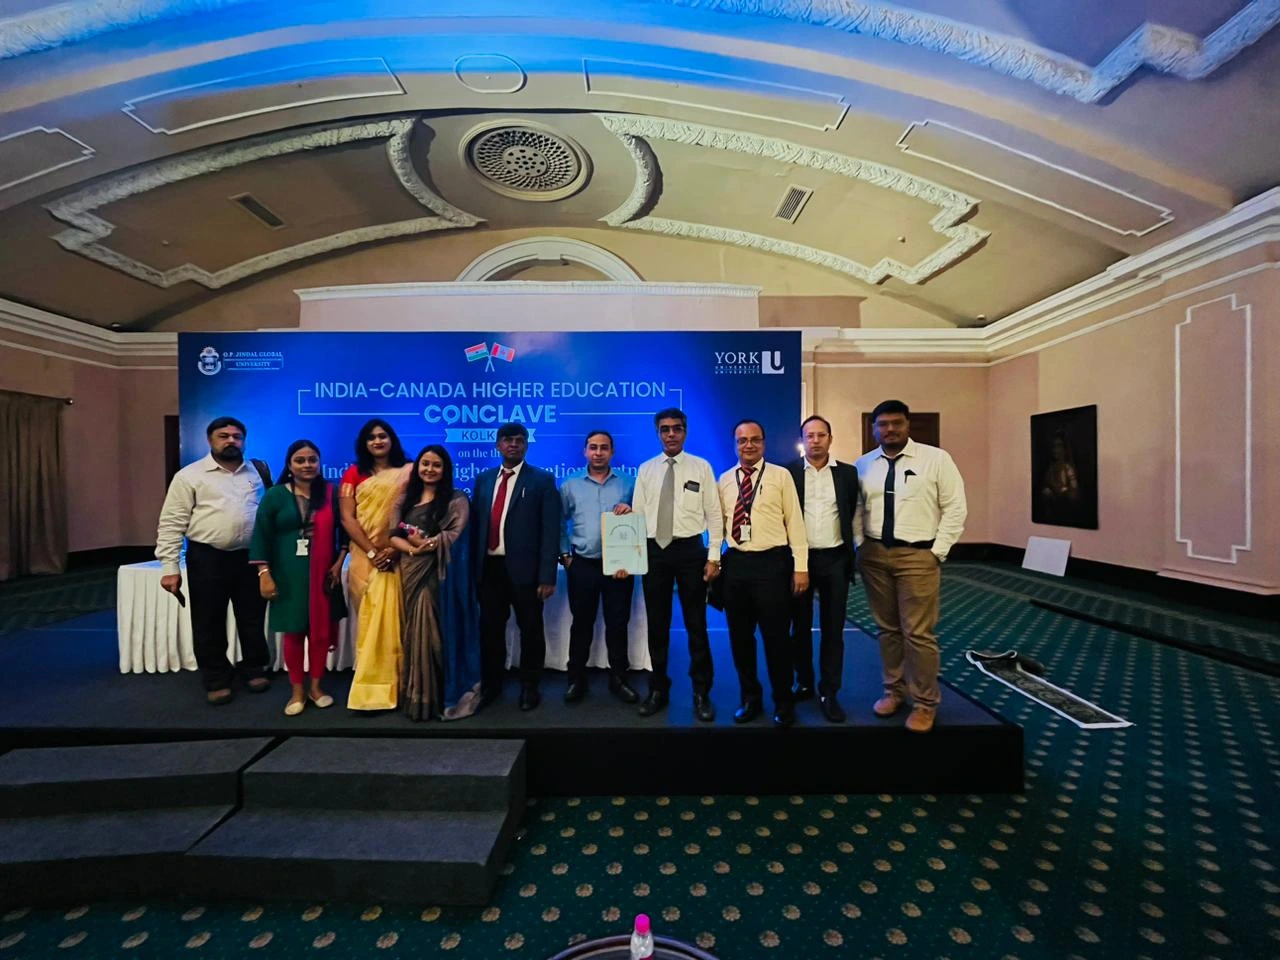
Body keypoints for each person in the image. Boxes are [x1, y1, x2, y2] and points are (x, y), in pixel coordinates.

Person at [854, 400, 967, 733]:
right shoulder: (863, 465)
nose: (890, 429)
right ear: (874, 429)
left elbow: (955, 508)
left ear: (908, 425)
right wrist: (860, 545)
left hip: (918, 556)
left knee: (918, 633)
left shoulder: (936, 459)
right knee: (887, 629)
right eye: (883, 424)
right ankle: (894, 691)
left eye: (896, 423)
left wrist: (937, 553)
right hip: (875, 555)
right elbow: (857, 509)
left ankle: (925, 703)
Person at [156, 416, 272, 705]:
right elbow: (171, 523)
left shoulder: (258, 471)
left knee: (252, 617)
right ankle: (217, 678)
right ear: (210, 440)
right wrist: (170, 567)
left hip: (250, 558)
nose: (231, 441)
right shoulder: (189, 476)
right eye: (224, 436)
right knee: (208, 620)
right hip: (207, 557)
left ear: (244, 441)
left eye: (237, 436)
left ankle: (253, 667)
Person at [631, 407, 722, 721]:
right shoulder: (646, 470)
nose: (671, 434)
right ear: (658, 433)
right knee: (657, 626)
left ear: (685, 431)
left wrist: (714, 557)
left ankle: (701, 692)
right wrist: (631, 556)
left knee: (697, 625)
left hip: (690, 553)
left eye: (677, 428)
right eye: (665, 429)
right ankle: (658, 689)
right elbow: (638, 516)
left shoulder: (701, 467)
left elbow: (715, 516)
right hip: (654, 553)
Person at [717, 420, 809, 728]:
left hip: (773, 565)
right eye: (742, 440)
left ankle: (783, 701)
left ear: (764, 443)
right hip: (736, 566)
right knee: (740, 639)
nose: (749, 445)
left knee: (776, 639)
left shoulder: (781, 476)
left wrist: (801, 567)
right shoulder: (724, 479)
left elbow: (795, 522)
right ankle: (750, 698)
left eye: (755, 439)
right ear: (735, 445)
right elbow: (717, 526)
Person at [249, 440, 347, 716]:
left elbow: (344, 532)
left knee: (319, 633)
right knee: (293, 632)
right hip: (287, 573)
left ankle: (316, 688)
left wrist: (339, 563)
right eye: (300, 460)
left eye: (312, 459)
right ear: (289, 465)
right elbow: (261, 535)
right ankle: (296, 691)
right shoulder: (275, 495)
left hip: (324, 575)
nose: (307, 465)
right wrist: (264, 573)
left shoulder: (330, 492)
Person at [471, 423, 561, 712]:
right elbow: (476, 526)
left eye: (519, 440)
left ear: (526, 445)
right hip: (489, 569)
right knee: (490, 631)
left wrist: (547, 576)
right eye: (507, 440)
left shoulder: (542, 480)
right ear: (498, 445)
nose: (513, 445)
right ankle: (492, 685)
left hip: (527, 572)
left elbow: (551, 531)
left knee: (531, 630)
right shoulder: (484, 480)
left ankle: (529, 686)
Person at [389, 445, 481, 722]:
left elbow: (454, 536)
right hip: (412, 571)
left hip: (440, 575)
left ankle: (444, 694)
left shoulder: (456, 499)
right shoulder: (404, 499)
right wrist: (413, 549)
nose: (430, 469)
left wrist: (428, 544)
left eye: (436, 465)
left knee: (436, 635)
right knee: (414, 632)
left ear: (445, 470)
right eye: (425, 464)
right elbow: (393, 535)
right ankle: (419, 697)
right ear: (417, 467)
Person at [786, 415, 860, 723]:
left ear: (830, 439)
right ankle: (803, 681)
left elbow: (851, 512)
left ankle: (829, 691)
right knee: (799, 627)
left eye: (821, 435)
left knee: (833, 630)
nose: (815, 440)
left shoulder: (848, 474)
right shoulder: (788, 473)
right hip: (798, 562)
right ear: (802, 440)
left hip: (835, 560)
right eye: (810, 436)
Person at [558, 430, 639, 705]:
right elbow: (559, 521)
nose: (598, 452)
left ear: (612, 452)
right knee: (581, 623)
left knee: (618, 623)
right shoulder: (570, 485)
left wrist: (631, 512)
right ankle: (575, 679)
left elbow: (640, 521)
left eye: (604, 448)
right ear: (585, 451)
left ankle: (619, 679)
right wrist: (565, 556)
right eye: (593, 447)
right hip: (582, 564)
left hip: (620, 567)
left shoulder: (629, 483)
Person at [340, 419, 412, 711]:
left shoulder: (409, 471)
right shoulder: (353, 474)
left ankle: (403, 684)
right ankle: (371, 687)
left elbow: (414, 514)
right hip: (364, 559)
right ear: (364, 443)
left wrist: (394, 549)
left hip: (401, 556)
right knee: (371, 624)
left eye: (383, 436)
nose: (378, 441)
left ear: (391, 439)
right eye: (371, 437)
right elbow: (347, 518)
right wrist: (373, 552)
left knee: (400, 623)